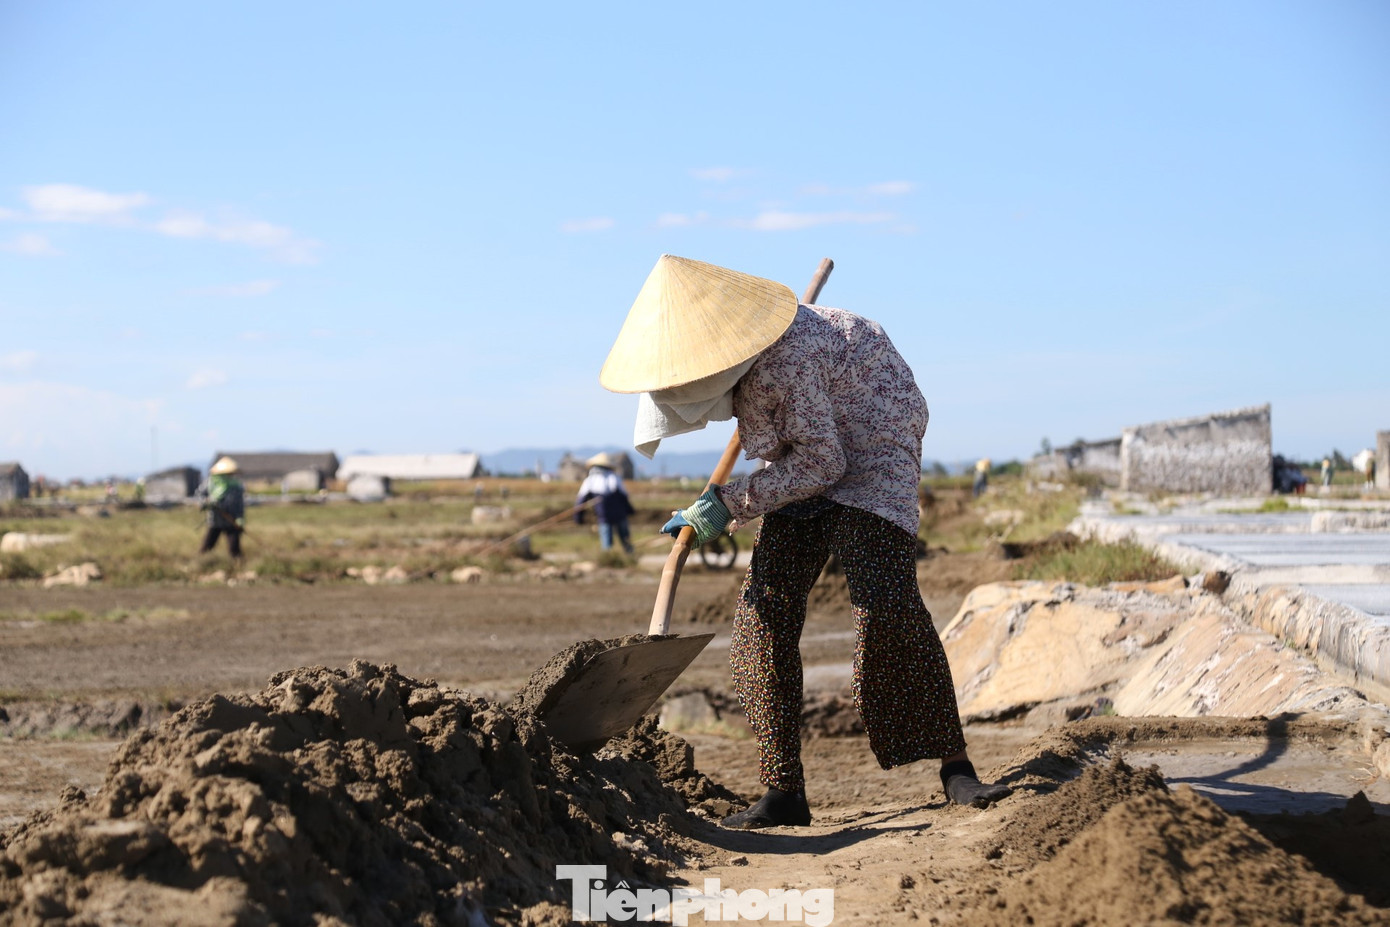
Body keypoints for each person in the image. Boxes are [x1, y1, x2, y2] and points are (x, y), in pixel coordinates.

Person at [599, 255, 1010, 829]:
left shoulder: (783, 363)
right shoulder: (754, 367)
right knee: (761, 617)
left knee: (882, 601)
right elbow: (806, 457)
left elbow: (826, 460)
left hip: (873, 445)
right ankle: (783, 789)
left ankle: (955, 767)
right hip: (810, 449)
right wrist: (730, 500)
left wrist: (729, 504)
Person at [575, 452, 636, 555]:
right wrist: (630, 511)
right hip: (618, 514)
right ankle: (629, 554)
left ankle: (609, 557)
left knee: (607, 539)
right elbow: (624, 497)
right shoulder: (615, 478)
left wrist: (578, 517)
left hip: (604, 515)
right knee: (624, 538)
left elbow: (581, 501)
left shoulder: (590, 481)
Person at [198, 456, 246, 558]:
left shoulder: (236, 486)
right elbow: (200, 496)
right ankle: (201, 561)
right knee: (208, 545)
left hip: (231, 519)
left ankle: (238, 565)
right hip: (215, 520)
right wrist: (206, 502)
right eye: (228, 474)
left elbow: (239, 504)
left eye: (231, 474)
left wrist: (240, 517)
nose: (230, 476)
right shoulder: (210, 484)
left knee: (234, 547)